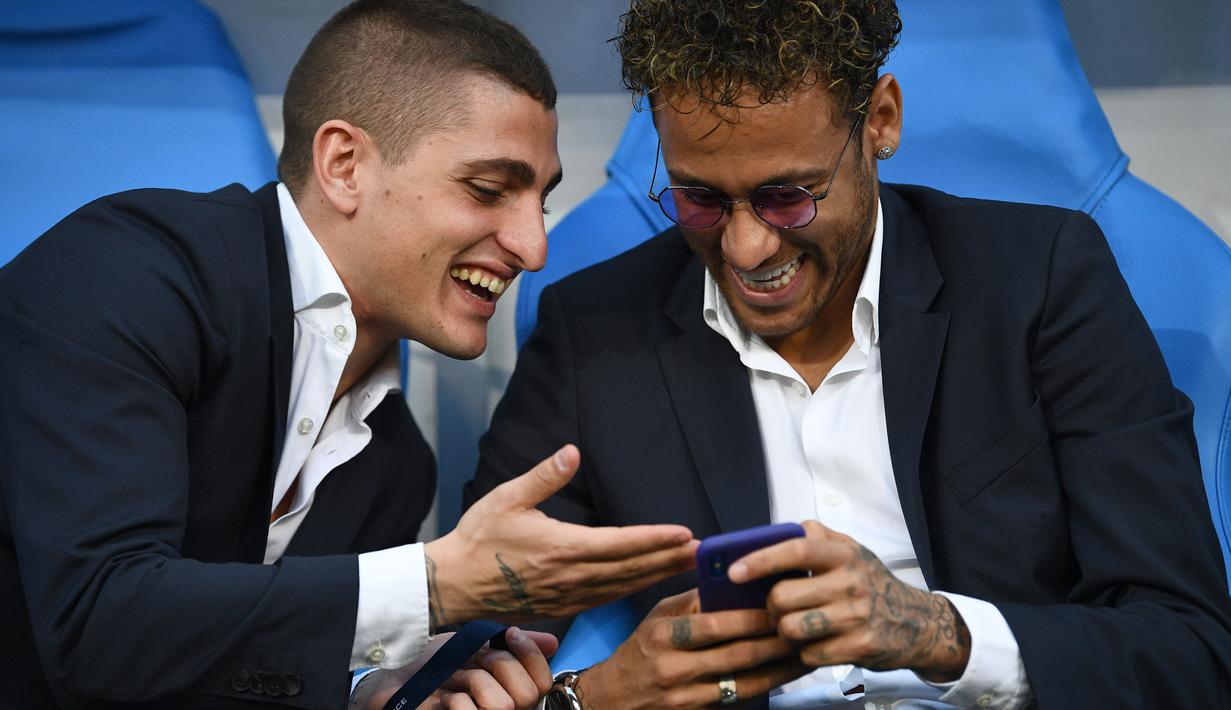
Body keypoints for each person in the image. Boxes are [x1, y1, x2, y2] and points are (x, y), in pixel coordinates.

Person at [467, 1, 1231, 708]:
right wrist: (590, 695)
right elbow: (471, 639)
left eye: (787, 196)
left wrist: (938, 633)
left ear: (880, 121)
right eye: (700, 199)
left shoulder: (1038, 283)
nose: (745, 248)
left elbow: (1189, 648)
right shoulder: (596, 333)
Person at [0, 1, 698, 708]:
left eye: (539, 204)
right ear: (343, 165)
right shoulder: (124, 275)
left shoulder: (396, 468)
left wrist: (371, 696)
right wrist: (432, 587)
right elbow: (95, 626)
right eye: (488, 190)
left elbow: (213, 668)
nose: (533, 248)